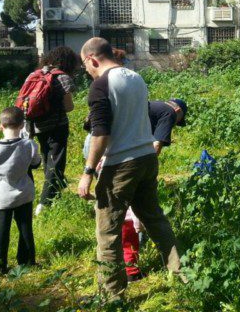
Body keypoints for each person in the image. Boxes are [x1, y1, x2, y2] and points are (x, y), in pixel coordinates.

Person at [77, 37, 185, 300]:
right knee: (154, 219)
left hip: (121, 164)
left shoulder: (100, 85)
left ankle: (113, 296)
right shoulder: (136, 77)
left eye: (85, 66)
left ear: (92, 59)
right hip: (147, 157)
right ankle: (183, 273)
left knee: (107, 229)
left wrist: (88, 172)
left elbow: (100, 134)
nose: (87, 72)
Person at [0, 106, 41, 274]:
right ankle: (27, 262)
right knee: (25, 228)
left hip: (0, 197)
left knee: (1, 231)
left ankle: (0, 267)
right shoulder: (29, 144)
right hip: (24, 194)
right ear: (22, 125)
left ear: (1, 126)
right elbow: (36, 164)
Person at [30, 46, 78, 216]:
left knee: (47, 159)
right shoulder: (62, 77)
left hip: (36, 126)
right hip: (57, 125)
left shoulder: (35, 74)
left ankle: (55, 195)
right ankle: (45, 204)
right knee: (56, 163)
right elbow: (69, 106)